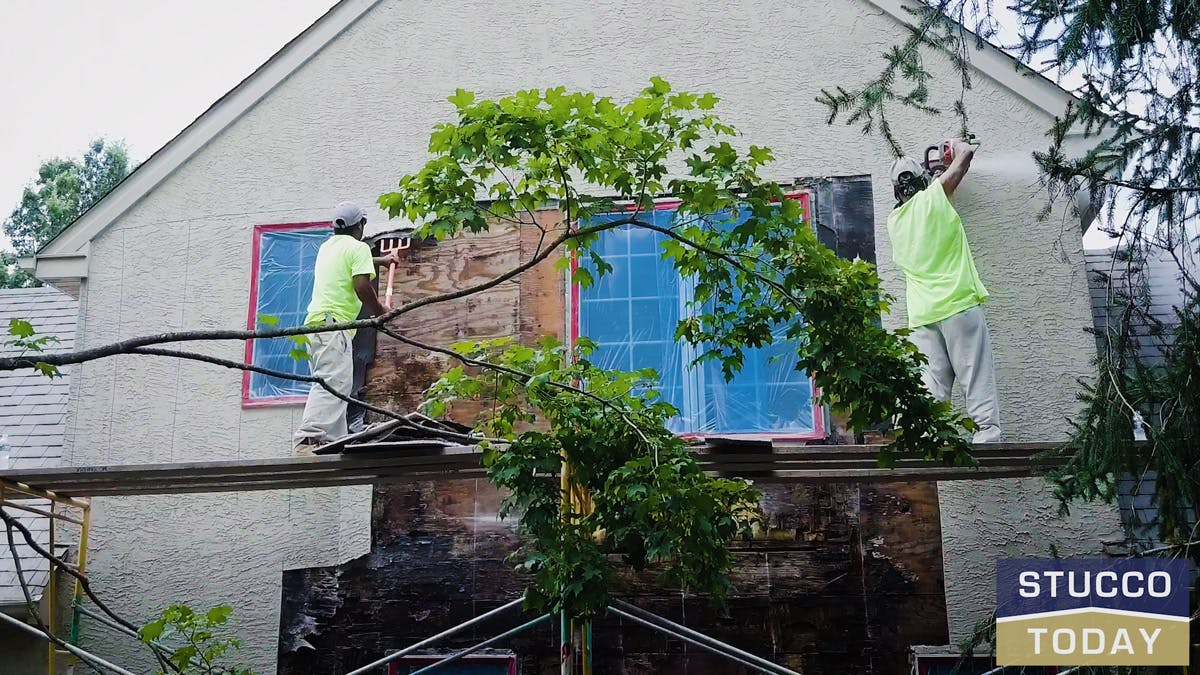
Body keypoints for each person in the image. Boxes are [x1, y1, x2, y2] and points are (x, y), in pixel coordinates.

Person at [886, 140, 1001, 442]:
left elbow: (921, 197)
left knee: (933, 387)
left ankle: (930, 442)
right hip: (958, 306)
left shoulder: (894, 222)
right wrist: (955, 146)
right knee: (974, 376)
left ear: (896, 190)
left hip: (923, 317)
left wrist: (934, 176)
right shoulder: (935, 197)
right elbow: (966, 157)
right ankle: (987, 437)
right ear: (921, 180)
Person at [293, 201, 396, 451]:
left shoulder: (327, 248)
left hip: (315, 326)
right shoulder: (358, 247)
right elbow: (361, 285)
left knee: (330, 382)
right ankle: (309, 438)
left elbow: (351, 261)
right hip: (333, 326)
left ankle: (329, 440)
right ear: (360, 225)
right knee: (334, 382)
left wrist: (382, 260)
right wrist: (379, 311)